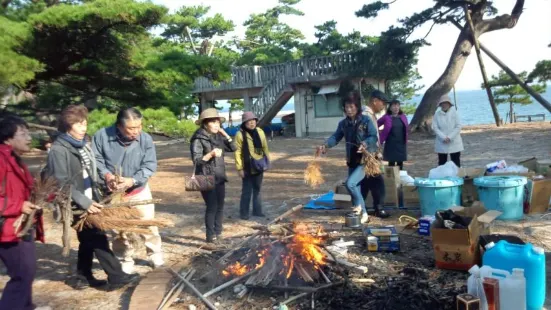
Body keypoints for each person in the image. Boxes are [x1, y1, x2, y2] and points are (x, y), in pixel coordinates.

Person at [45, 105, 137, 290]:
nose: (83, 128)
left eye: (85, 123)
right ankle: (117, 276)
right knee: (97, 237)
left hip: (90, 197)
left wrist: (105, 186)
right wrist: (85, 202)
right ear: (68, 126)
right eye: (79, 124)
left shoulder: (82, 145)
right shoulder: (59, 150)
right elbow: (61, 183)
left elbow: (89, 173)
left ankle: (82, 276)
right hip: (76, 203)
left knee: (87, 240)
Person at [91, 107, 163, 274]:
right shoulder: (102, 136)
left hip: (139, 190)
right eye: (131, 128)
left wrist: (132, 180)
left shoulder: (145, 139)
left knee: (148, 224)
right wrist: (107, 176)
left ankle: (154, 253)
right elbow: (96, 160)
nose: (136, 131)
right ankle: (126, 258)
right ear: (119, 126)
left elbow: (150, 165)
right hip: (113, 193)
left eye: (139, 126)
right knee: (119, 230)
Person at [318, 84, 389, 224]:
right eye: (346, 107)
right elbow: (335, 137)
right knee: (354, 187)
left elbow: (373, 136)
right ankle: (363, 212)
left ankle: (362, 210)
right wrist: (325, 145)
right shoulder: (343, 124)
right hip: (352, 159)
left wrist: (365, 144)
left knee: (350, 184)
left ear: (357, 107)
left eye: (351, 107)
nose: (349, 109)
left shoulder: (366, 120)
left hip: (366, 159)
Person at [0, 115, 48, 310]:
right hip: (8, 228)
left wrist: (46, 195)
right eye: (23, 133)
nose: (29, 138)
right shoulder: (2, 160)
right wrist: (18, 206)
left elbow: (24, 189)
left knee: (26, 271)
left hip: (20, 226)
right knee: (22, 274)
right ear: (8, 138)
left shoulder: (14, 158)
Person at [190, 108, 236, 243]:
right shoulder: (198, 139)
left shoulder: (218, 137)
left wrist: (225, 134)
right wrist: (210, 154)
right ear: (205, 124)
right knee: (212, 206)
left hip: (219, 175)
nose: (217, 125)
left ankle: (218, 233)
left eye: (218, 122)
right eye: (213, 122)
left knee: (220, 205)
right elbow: (197, 161)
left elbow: (233, 148)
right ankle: (210, 237)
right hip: (203, 176)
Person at [235, 112, 270, 220]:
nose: (252, 123)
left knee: (257, 189)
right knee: (246, 191)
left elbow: (265, 147)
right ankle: (244, 213)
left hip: (259, 165)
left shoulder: (260, 132)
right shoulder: (240, 134)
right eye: (249, 121)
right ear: (244, 123)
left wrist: (267, 161)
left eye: (253, 121)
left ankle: (257, 211)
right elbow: (237, 152)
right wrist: (239, 168)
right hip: (247, 166)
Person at [432, 94, 464, 168]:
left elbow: (458, 126)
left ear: (449, 104)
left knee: (456, 161)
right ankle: (442, 177)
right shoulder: (437, 114)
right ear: (440, 104)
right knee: (442, 162)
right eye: (443, 103)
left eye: (446, 103)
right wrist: (443, 137)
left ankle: (457, 177)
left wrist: (450, 137)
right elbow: (435, 127)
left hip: (454, 140)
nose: (444, 104)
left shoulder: (455, 113)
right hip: (441, 141)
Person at [377, 99, 409, 170]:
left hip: (401, 143)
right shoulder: (386, 117)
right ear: (390, 107)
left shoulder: (403, 116)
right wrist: (379, 132)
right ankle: (391, 179)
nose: (396, 107)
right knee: (391, 162)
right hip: (391, 143)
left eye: (397, 105)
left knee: (400, 162)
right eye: (394, 106)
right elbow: (375, 124)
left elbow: (406, 129)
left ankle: (399, 177)